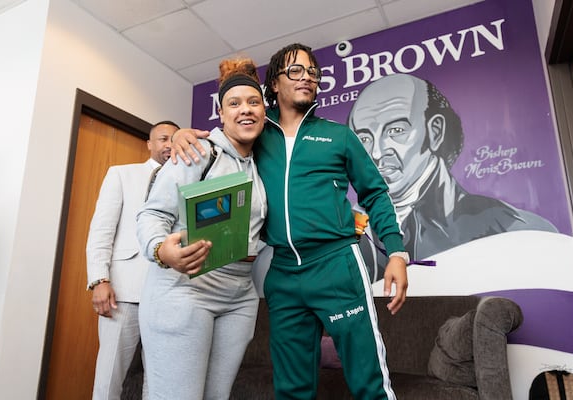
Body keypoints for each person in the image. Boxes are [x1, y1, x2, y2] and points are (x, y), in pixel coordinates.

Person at [172, 43, 408, 400]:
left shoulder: (337, 136)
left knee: (368, 381)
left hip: (336, 264)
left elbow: (375, 194)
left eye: (312, 72)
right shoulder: (255, 136)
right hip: (282, 273)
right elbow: (218, 142)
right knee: (291, 389)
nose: (307, 78)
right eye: (295, 71)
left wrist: (396, 252)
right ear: (274, 85)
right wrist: (178, 135)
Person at [136, 57, 267, 399]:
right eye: (234, 103)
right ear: (221, 115)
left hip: (239, 296)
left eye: (254, 102)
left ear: (265, 111)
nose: (245, 110)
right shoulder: (197, 152)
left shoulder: (263, 163)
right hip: (185, 288)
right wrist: (161, 250)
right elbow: (151, 214)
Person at [347, 73, 558, 275]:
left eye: (396, 131)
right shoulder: (344, 236)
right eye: (363, 138)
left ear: (435, 132)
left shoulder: (516, 230)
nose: (376, 152)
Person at [86, 120, 179, 400]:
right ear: (149, 144)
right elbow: (101, 231)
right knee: (109, 377)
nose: (169, 145)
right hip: (124, 294)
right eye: (163, 139)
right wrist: (99, 280)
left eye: (175, 139)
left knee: (160, 381)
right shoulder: (121, 175)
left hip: (169, 295)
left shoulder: (189, 180)